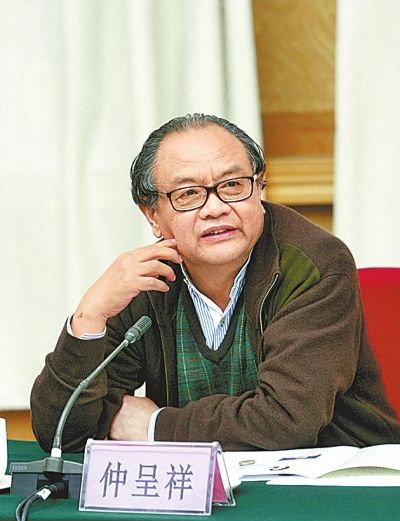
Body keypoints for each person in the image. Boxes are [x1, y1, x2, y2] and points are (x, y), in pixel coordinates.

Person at [31, 113, 400, 453]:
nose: (215, 208)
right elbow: (63, 434)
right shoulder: (148, 282)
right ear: (153, 216)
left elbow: (288, 421)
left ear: (260, 187)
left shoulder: (313, 264)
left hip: (339, 476)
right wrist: (89, 317)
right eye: (188, 194)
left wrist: (154, 426)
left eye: (233, 185)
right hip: (202, 486)